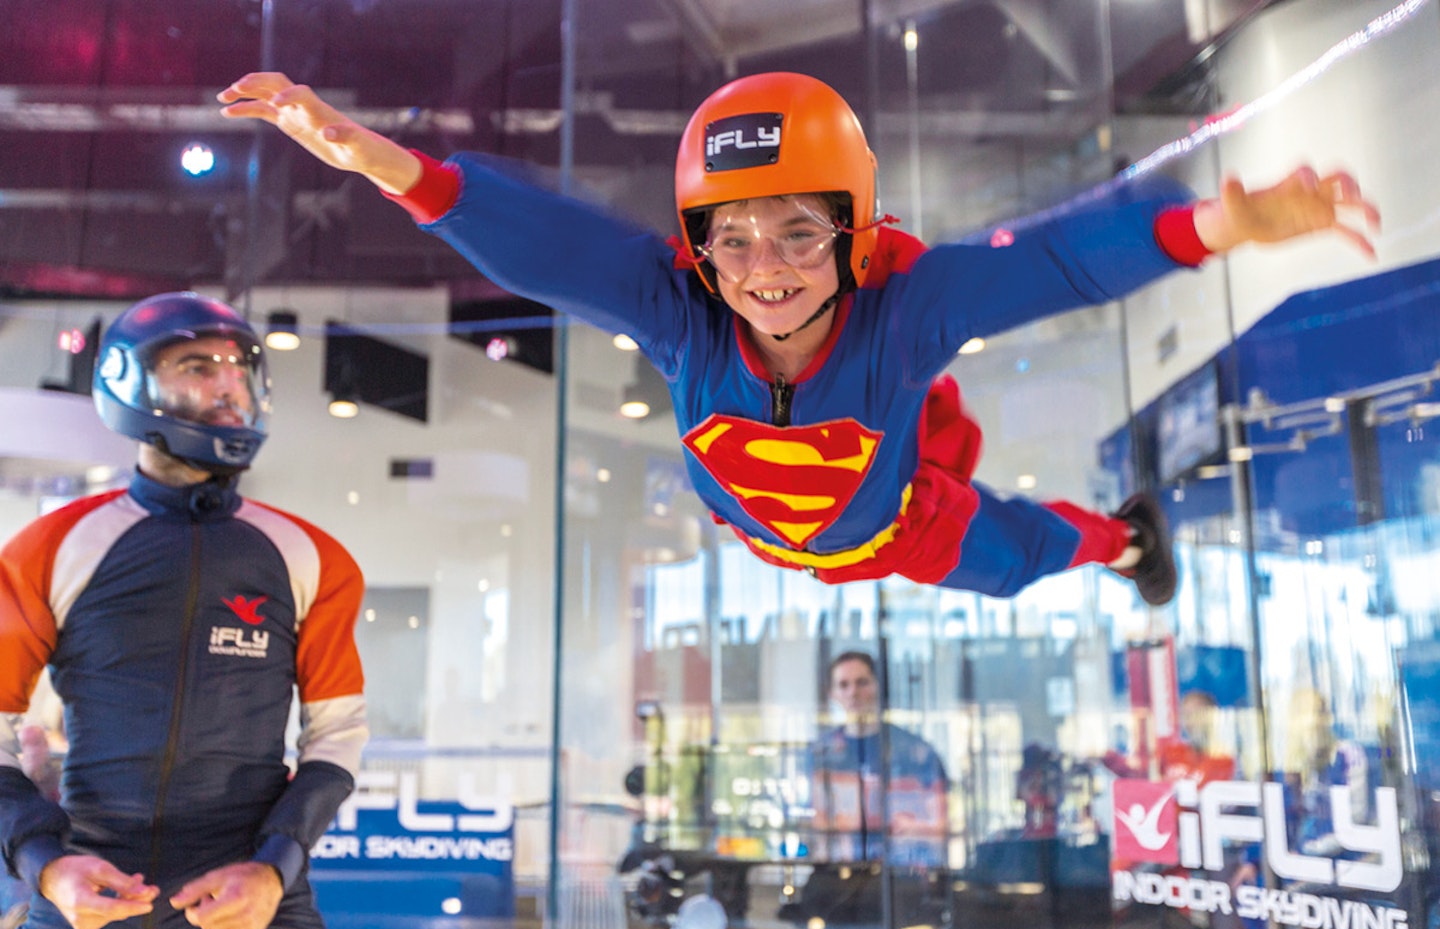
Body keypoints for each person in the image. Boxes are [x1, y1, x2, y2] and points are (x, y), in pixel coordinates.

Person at [219, 71, 1380, 607]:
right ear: (698, 248)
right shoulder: (680, 307)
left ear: (855, 235)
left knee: (1022, 562)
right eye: (734, 239)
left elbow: (1059, 263)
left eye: (796, 234)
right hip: (759, 532)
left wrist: (1224, 223)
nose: (763, 269)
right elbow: (543, 243)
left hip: (897, 526)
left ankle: (1128, 545)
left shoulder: (904, 313)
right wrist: (368, 153)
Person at [0, 292, 369, 929]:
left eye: (238, 370)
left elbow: (336, 736)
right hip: (87, 897)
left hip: (250, 899)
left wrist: (275, 867)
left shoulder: (312, 558)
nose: (228, 385)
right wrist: (45, 865)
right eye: (197, 366)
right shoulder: (51, 549)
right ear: (128, 383)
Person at [786, 651, 948, 929]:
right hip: (834, 883)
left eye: (862, 682)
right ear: (833, 693)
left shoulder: (915, 752)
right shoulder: (819, 754)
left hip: (897, 882)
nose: (853, 693)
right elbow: (812, 824)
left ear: (877, 686)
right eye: (844, 684)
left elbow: (939, 828)